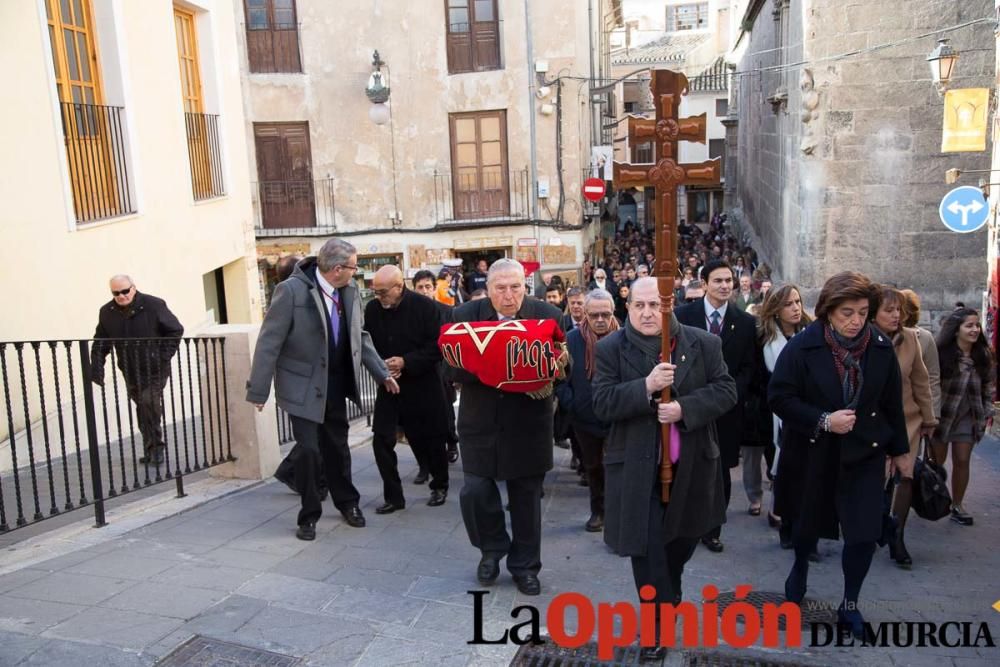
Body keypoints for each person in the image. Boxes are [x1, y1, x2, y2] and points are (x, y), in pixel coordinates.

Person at [592, 277, 737, 661]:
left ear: (668, 305)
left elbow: (726, 390)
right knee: (648, 550)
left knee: (681, 543)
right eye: (639, 306)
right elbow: (602, 403)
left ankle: (670, 590)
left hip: (690, 466)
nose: (647, 313)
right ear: (628, 308)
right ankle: (655, 628)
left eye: (655, 305)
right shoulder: (611, 348)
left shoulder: (703, 344)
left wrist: (684, 409)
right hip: (639, 471)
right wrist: (646, 386)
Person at [769, 271, 908, 638]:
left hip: (864, 453)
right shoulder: (802, 347)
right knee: (805, 527)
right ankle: (798, 571)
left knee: (864, 534)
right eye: (847, 312)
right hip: (813, 452)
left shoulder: (879, 346)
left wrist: (900, 450)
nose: (855, 321)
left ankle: (850, 604)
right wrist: (824, 420)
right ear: (828, 311)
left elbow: (892, 401)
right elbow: (779, 397)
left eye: (863, 312)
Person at [246, 238, 398, 541]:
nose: (356, 275)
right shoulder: (290, 291)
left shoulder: (349, 291)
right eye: (354, 268)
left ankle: (348, 503)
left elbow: (360, 335)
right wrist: (259, 390)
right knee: (310, 453)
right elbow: (269, 342)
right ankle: (308, 515)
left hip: (336, 384)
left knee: (337, 448)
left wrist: (381, 372)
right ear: (338, 269)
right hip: (302, 386)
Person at [450, 259, 563, 596]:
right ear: (488, 289)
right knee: (475, 491)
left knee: (526, 498)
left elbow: (561, 366)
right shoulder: (464, 317)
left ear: (525, 286)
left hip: (529, 423)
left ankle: (525, 566)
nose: (509, 295)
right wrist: (494, 366)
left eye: (516, 287)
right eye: (501, 288)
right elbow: (449, 369)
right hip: (479, 422)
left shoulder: (549, 316)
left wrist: (543, 367)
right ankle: (492, 547)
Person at [675, 260, 756, 553]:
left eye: (728, 281)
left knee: (720, 470)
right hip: (690, 407)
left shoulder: (745, 323)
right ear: (704, 283)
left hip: (726, 410)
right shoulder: (683, 316)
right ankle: (685, 524)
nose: (724, 286)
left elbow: (749, 367)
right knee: (688, 464)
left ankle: (713, 529)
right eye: (718, 281)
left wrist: (728, 393)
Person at [364, 266, 450, 513]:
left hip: (424, 384)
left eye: (383, 292)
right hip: (390, 385)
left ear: (399, 287)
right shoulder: (372, 309)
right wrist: (383, 367)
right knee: (381, 439)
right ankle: (394, 496)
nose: (379, 297)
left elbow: (438, 348)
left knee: (432, 438)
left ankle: (440, 484)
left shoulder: (426, 307)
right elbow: (368, 344)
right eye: (375, 292)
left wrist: (406, 362)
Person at [871, 286, 936, 567]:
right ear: (874, 314)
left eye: (899, 310)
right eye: (889, 310)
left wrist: (929, 419)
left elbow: (922, 381)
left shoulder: (911, 339)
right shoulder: (863, 338)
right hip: (873, 423)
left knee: (905, 477)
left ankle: (898, 534)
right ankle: (875, 524)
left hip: (907, 420)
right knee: (876, 478)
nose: (896, 315)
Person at [91, 275, 184, 465]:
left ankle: (156, 448)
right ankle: (151, 448)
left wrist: (161, 357)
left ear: (133, 288)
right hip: (130, 370)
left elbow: (175, 330)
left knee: (148, 402)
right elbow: (101, 343)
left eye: (125, 291)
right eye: (116, 293)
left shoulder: (154, 305)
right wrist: (97, 369)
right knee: (142, 407)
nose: (121, 296)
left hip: (155, 368)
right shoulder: (107, 312)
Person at [556, 288, 619, 531]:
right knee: (593, 467)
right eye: (594, 316)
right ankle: (598, 512)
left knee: (616, 467)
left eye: (605, 314)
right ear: (585, 315)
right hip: (585, 417)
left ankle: (617, 513)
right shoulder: (571, 340)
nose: (600, 320)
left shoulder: (625, 338)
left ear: (613, 313)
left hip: (617, 416)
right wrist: (572, 403)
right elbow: (560, 377)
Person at [753, 284, 812, 548]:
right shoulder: (765, 339)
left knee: (807, 471)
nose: (795, 308)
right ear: (776, 309)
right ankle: (785, 519)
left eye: (798, 302)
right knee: (782, 468)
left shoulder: (812, 335)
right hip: (774, 416)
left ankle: (802, 525)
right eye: (789, 304)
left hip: (807, 413)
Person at [932, 307, 995, 526]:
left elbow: (988, 386)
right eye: (969, 325)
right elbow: (931, 386)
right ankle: (932, 499)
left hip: (969, 416)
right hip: (941, 416)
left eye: (977, 325)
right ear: (956, 329)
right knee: (936, 463)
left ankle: (957, 505)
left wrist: (988, 410)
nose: (975, 329)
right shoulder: (940, 354)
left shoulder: (983, 356)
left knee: (962, 460)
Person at [414, 269, 460, 465]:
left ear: (434, 289)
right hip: (418, 369)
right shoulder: (410, 313)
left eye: (427, 287)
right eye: (420, 287)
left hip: (441, 369)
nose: (424, 291)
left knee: (445, 410)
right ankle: (426, 460)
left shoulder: (446, 311)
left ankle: (451, 442)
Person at [900, 289, 941, 418]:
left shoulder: (924, 337)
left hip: (915, 407)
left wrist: (933, 415)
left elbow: (933, 377)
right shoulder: (881, 335)